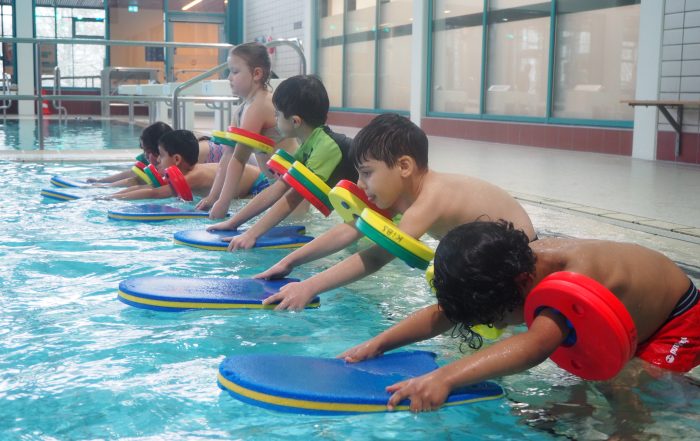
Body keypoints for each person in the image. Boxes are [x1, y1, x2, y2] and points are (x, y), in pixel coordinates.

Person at [339, 220, 698, 412]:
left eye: (494, 319)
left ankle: (638, 430)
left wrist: (444, 377)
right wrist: (378, 344)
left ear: (523, 284)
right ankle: (579, 408)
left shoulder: (572, 276)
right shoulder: (511, 268)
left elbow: (535, 346)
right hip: (618, 319)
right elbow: (445, 314)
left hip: (675, 319)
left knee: (632, 382)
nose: (493, 326)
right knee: (588, 365)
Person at [256, 113, 536, 310]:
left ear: (404, 166)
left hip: (525, 261)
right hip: (491, 259)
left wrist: (310, 287)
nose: (359, 184)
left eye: (367, 173)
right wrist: (289, 262)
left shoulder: (431, 198)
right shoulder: (403, 196)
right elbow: (352, 228)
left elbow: (377, 256)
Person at [208, 75, 357, 250]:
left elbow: (293, 198)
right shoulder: (309, 146)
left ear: (295, 121)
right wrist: (233, 223)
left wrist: (251, 234)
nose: (275, 119)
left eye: (277, 114)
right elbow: (278, 188)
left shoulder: (326, 147)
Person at [195, 42, 296, 219]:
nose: (229, 78)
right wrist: (213, 197)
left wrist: (223, 203)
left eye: (235, 72)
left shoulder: (260, 105)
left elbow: (239, 159)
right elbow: (228, 156)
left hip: (293, 185)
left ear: (256, 74)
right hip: (278, 183)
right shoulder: (242, 109)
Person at [109, 129, 263, 200]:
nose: (158, 160)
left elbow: (154, 193)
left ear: (177, 159)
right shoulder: (184, 172)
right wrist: (113, 194)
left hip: (259, 185)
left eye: (162, 155)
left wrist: (116, 199)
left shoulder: (194, 176)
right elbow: (151, 187)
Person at [87, 121, 172, 186]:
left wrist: (107, 187)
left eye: (148, 152)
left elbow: (136, 181)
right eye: (144, 151)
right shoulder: (147, 160)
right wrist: (101, 181)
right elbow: (132, 173)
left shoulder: (169, 167)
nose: (146, 155)